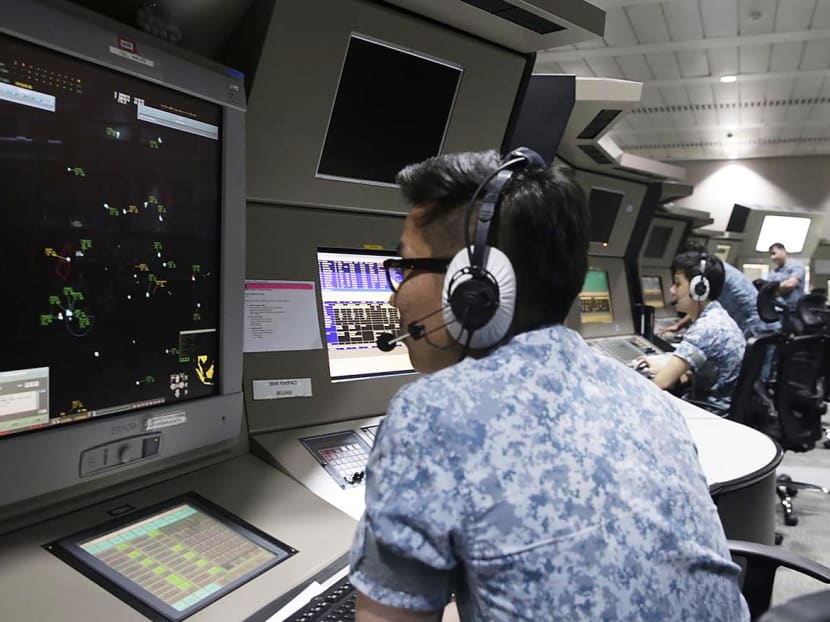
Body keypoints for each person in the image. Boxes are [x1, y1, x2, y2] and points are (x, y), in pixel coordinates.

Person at [349, 150, 749, 621]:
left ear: (475, 287)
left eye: (409, 266)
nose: (395, 295)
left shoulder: (430, 414)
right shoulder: (646, 397)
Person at [644, 251, 746, 411]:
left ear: (699, 289)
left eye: (677, 284)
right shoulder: (718, 315)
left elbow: (660, 384)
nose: (671, 290)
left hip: (709, 414)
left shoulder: (706, 329)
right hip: (723, 407)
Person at [660, 241, 777, 339]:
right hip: (757, 322)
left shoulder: (710, 277)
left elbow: (702, 303)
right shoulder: (717, 269)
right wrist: (679, 325)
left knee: (754, 365)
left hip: (754, 325)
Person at [768, 242, 806, 311]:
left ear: (783, 251)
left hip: (794, 311)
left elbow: (791, 284)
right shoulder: (774, 272)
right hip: (777, 310)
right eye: (771, 255)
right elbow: (768, 289)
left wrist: (775, 290)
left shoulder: (796, 266)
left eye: (774, 253)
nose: (772, 257)